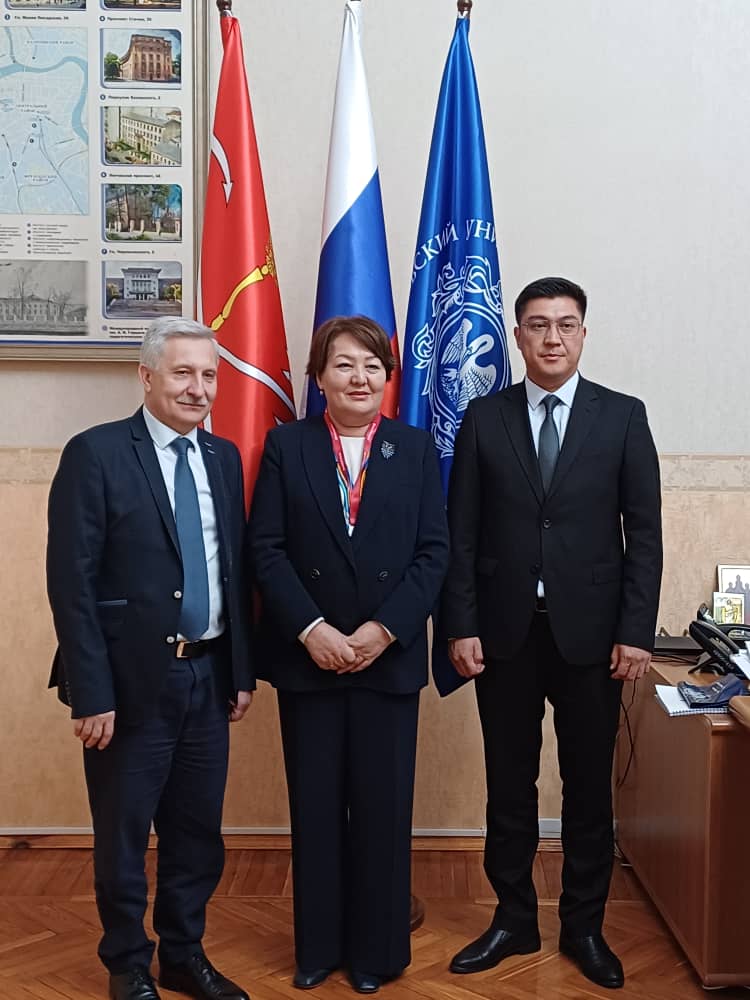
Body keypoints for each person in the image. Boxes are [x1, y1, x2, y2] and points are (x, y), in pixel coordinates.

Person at [441, 277, 662, 990]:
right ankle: (513, 919)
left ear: (584, 334)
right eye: (538, 325)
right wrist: (460, 625)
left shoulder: (622, 417)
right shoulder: (484, 418)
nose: (553, 337)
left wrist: (635, 631)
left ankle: (584, 927)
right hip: (503, 634)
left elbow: (645, 535)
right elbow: (461, 534)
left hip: (594, 639)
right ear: (518, 336)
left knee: (588, 788)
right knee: (509, 785)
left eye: (566, 325)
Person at [46, 318, 253, 1000]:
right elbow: (71, 583)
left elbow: (232, 571)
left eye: (210, 375)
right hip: (128, 684)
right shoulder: (97, 454)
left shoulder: (223, 458)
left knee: (197, 834)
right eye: (183, 373)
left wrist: (239, 671)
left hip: (208, 675)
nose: (199, 388)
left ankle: (183, 954)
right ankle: (128, 963)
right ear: (146, 376)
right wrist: (91, 692)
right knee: (124, 835)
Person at [249, 316, 449, 994]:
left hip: (387, 661)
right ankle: (317, 949)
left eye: (372, 365)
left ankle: (377, 954)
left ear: (388, 377)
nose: (359, 377)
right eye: (343, 364)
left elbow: (434, 553)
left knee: (383, 813)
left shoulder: (414, 448)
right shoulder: (288, 445)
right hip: (309, 660)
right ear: (319, 376)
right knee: (315, 808)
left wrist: (383, 631)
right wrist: (312, 630)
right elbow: (266, 549)